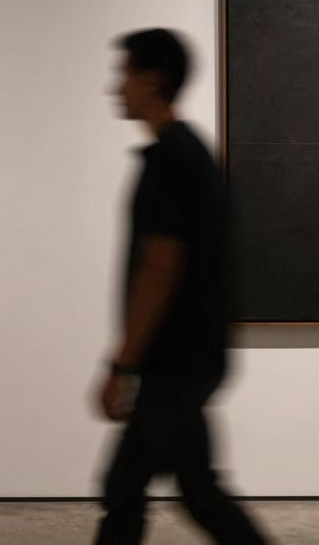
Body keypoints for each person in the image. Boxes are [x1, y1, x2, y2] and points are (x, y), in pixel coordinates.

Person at [92, 29, 268, 545]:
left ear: (155, 79)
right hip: (186, 359)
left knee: (192, 493)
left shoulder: (170, 160)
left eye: (124, 73)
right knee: (131, 488)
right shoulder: (190, 152)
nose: (115, 87)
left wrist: (122, 364)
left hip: (174, 362)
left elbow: (159, 268)